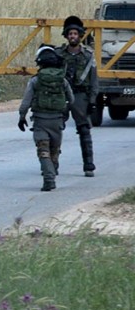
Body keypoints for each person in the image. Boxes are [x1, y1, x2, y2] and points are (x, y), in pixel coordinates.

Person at [18, 46, 74, 192]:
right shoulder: (63, 80)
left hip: (40, 121)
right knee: (54, 150)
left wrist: (22, 117)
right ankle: (53, 170)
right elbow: (72, 99)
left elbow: (26, 102)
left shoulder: (35, 80)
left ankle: (49, 179)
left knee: (43, 151)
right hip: (57, 121)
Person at [56, 15, 98, 177]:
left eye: (75, 34)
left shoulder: (88, 56)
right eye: (70, 34)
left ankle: (88, 164)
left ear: (80, 36)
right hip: (62, 95)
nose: (72, 36)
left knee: (84, 130)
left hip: (81, 95)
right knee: (56, 128)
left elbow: (94, 80)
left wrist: (93, 101)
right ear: (66, 36)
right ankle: (53, 163)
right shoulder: (59, 54)